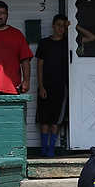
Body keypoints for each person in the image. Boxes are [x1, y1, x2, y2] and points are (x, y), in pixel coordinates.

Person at [35, 14, 70, 157]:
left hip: (61, 87)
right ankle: (44, 148)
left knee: (56, 121)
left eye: (63, 25)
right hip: (46, 86)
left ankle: (51, 149)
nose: (60, 28)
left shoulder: (68, 43)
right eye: (58, 25)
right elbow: (39, 65)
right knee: (44, 120)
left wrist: (73, 26)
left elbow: (91, 38)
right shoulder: (44, 43)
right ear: (53, 26)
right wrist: (41, 86)